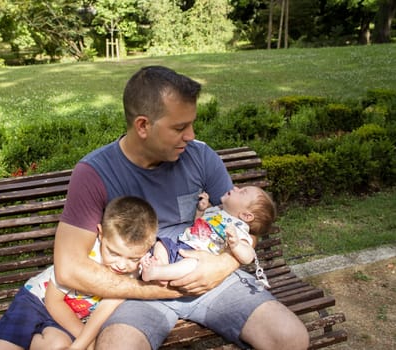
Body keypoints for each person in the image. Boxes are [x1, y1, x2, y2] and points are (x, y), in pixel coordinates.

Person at [54, 65, 309, 350]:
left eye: (191, 123)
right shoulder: (95, 173)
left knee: (291, 339)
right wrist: (152, 287)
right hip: (137, 291)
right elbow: (69, 268)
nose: (191, 135)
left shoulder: (200, 156)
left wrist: (222, 265)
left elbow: (247, 224)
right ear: (142, 126)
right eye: (179, 127)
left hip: (210, 277)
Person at [0, 196, 158, 350]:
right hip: (37, 301)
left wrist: (84, 342)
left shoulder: (134, 270)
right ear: (100, 234)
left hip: (68, 317)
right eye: (114, 253)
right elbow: (54, 300)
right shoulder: (84, 257)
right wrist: (83, 341)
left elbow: (106, 307)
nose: (122, 265)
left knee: (57, 346)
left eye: (133, 258)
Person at [141, 186, 276, 286]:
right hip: (181, 244)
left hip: (199, 255)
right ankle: (161, 268)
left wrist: (236, 245)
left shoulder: (238, 228)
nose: (235, 187)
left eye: (241, 192)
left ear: (246, 216)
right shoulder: (215, 211)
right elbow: (198, 223)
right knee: (161, 244)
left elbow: (248, 256)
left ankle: (158, 272)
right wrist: (201, 211)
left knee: (190, 265)